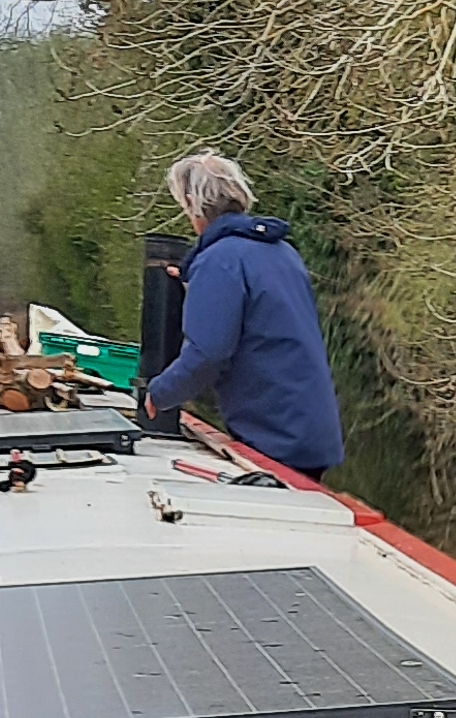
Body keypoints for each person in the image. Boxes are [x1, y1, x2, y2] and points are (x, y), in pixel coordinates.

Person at [144, 149, 344, 478]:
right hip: (310, 428)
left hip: (275, 435)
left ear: (192, 203)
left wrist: (159, 392)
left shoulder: (219, 261)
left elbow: (208, 353)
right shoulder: (280, 251)